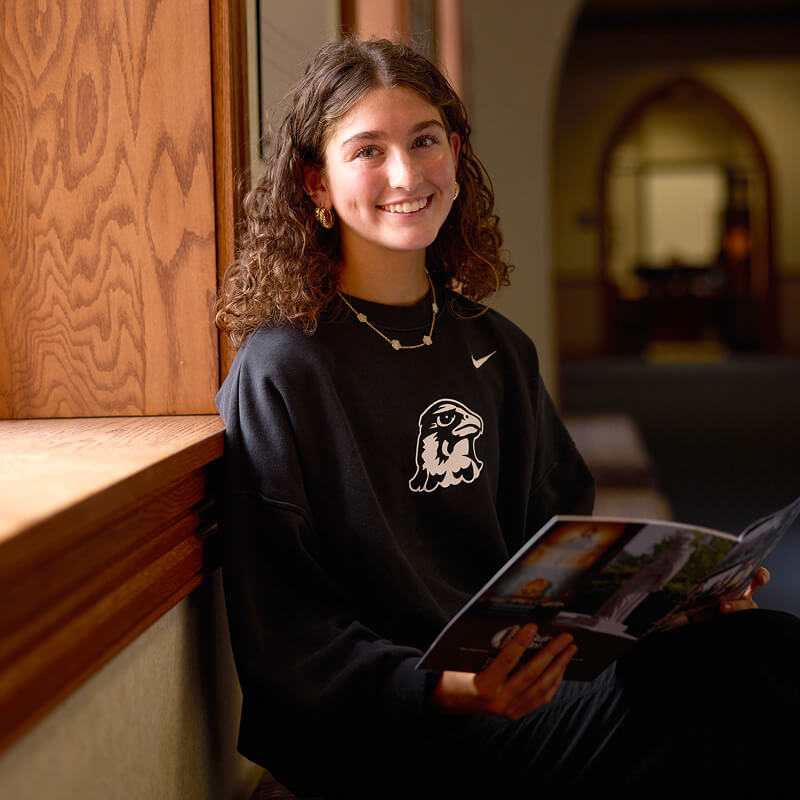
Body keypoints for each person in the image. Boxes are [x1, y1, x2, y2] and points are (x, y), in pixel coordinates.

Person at [215, 37, 799, 799]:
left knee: (757, 646)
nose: (406, 173)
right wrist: (449, 690)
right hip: (387, 730)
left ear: (455, 155)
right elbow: (286, 642)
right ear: (314, 183)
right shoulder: (281, 368)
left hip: (525, 689)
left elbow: (560, 559)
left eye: (425, 140)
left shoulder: (497, 346)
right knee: (747, 690)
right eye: (367, 151)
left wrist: (665, 604)